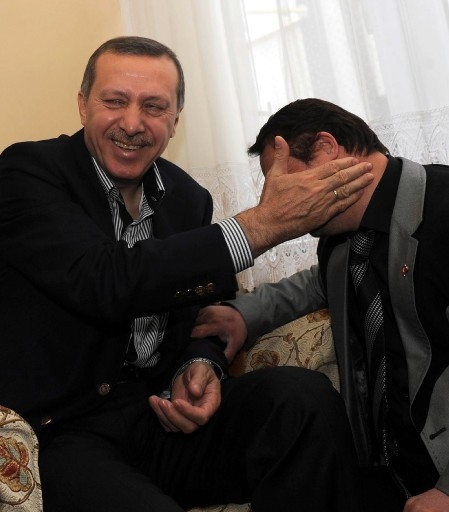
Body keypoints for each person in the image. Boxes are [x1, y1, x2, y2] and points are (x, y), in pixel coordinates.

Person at [0, 39, 373, 512]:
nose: (132, 123)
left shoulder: (188, 197)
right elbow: (105, 279)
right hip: (64, 434)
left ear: (175, 119)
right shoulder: (27, 173)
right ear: (82, 104)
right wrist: (262, 225)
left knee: (301, 400)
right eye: (115, 101)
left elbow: (201, 315)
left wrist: (199, 363)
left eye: (154, 107)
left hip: (159, 419)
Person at [193, 98, 449, 512]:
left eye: (282, 181)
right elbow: (319, 283)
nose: (276, 200)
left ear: (327, 149)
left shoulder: (441, 207)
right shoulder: (342, 238)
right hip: (387, 476)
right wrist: (243, 315)